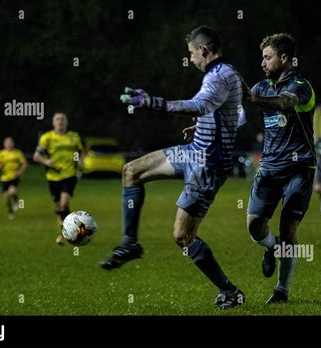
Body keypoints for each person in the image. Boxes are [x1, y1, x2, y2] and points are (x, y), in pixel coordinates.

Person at [100, 26, 246, 309]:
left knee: (182, 236)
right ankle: (130, 243)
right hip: (193, 152)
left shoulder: (218, 76)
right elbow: (236, 111)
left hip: (208, 165)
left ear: (203, 50)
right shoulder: (231, 73)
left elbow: (200, 104)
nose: (190, 59)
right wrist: (203, 126)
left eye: (191, 53)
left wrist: (153, 102)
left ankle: (230, 291)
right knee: (131, 171)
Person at [245, 33, 316, 303]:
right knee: (253, 226)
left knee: (288, 226)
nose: (262, 62)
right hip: (270, 168)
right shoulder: (261, 87)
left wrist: (253, 100)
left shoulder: (302, 86)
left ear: (284, 59)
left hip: (299, 168)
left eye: (267, 57)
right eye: (262, 57)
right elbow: (237, 113)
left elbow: (284, 102)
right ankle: (271, 247)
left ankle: (281, 291)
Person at [33, 112, 84, 245]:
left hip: (69, 175)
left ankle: (64, 233)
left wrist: (79, 161)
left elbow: (79, 152)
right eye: (57, 119)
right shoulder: (47, 138)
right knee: (58, 207)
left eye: (62, 119)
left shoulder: (74, 137)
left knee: (64, 203)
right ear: (53, 122)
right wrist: (46, 162)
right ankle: (64, 228)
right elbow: (36, 156)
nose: (60, 121)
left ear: (66, 122)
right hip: (53, 176)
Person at [0, 137, 27, 220]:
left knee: (12, 191)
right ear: (4, 144)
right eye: (7, 143)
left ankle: (16, 201)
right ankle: (10, 211)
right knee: (6, 197)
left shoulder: (17, 153)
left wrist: (20, 171)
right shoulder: (1, 154)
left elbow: (24, 164)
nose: (9, 144)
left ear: (13, 144)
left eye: (10, 143)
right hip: (4, 178)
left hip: (14, 176)